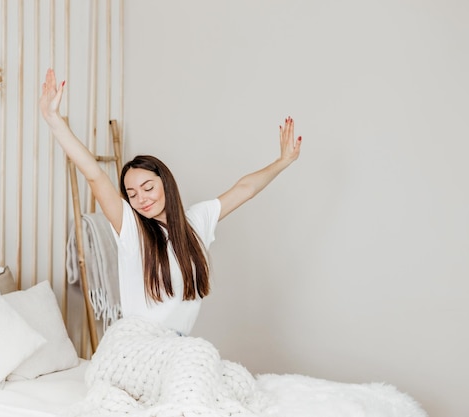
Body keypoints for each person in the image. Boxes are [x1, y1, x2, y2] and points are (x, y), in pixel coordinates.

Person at [40, 68, 301, 336]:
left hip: (176, 347)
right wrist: (53, 119)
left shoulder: (196, 221)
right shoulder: (132, 229)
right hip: (135, 346)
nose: (141, 199)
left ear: (165, 182)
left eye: (148, 187)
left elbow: (245, 189)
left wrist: (282, 162)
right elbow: (94, 175)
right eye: (132, 194)